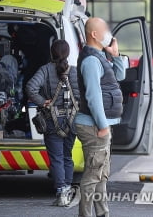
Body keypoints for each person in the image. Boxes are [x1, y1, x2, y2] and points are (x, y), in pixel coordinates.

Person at [75, 17, 125, 217]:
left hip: (100, 125)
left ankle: (102, 213)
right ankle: (85, 214)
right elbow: (93, 96)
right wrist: (102, 125)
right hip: (94, 126)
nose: (108, 32)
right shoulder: (90, 61)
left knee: (101, 175)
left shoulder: (100, 57)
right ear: (94, 34)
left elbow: (119, 76)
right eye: (104, 29)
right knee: (93, 175)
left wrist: (115, 55)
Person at [26, 40, 80, 206]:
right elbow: (84, 94)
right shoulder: (76, 72)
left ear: (52, 53)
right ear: (69, 53)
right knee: (67, 156)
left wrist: (43, 102)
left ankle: (61, 191)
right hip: (73, 121)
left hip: (52, 120)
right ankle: (68, 190)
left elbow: (30, 87)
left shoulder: (45, 70)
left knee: (56, 158)